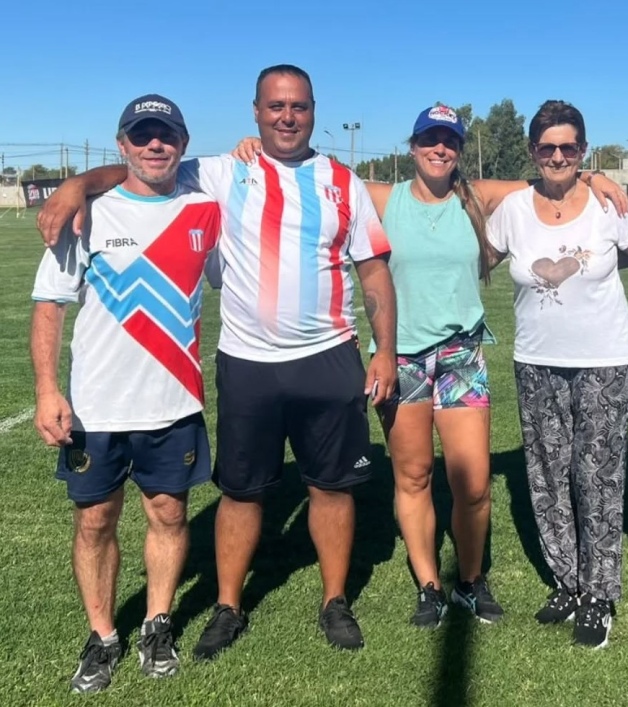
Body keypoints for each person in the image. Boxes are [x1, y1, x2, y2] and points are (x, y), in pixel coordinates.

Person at [35, 64, 399, 657]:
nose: (287, 116)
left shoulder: (344, 181)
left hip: (329, 355)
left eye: (299, 106)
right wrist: (78, 185)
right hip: (248, 361)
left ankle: (335, 602)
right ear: (255, 111)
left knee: (331, 488)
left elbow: (373, 268)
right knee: (242, 490)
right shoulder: (224, 171)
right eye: (275, 106)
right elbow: (137, 169)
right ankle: (228, 606)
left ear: (313, 111)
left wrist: (384, 348)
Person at [229, 106, 628, 628]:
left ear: (459, 149)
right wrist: (256, 148)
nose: (440, 150)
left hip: (462, 354)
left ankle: (469, 580)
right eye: (429, 140)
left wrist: (595, 173)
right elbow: (312, 164)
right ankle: (429, 585)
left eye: (450, 142)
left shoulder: (476, 196)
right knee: (413, 476)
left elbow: (549, 175)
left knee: (475, 482)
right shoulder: (382, 197)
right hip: (402, 359)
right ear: (412, 145)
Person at [30, 95, 221, 692]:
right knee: (95, 522)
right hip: (97, 408)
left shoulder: (205, 211)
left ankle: (157, 624)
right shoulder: (89, 213)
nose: (154, 144)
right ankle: (102, 635)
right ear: (122, 145)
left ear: (183, 145)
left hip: (174, 403)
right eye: (142, 135)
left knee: (168, 513)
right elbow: (49, 305)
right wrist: (45, 389)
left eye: (166, 134)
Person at [485, 99, 628, 649]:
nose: (558, 156)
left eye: (569, 147)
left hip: (604, 358)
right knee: (547, 473)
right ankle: (567, 580)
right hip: (536, 360)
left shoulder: (609, 205)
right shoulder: (511, 209)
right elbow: (477, 259)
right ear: (534, 151)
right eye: (548, 147)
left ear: (583, 150)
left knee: (597, 475)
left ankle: (600, 592)